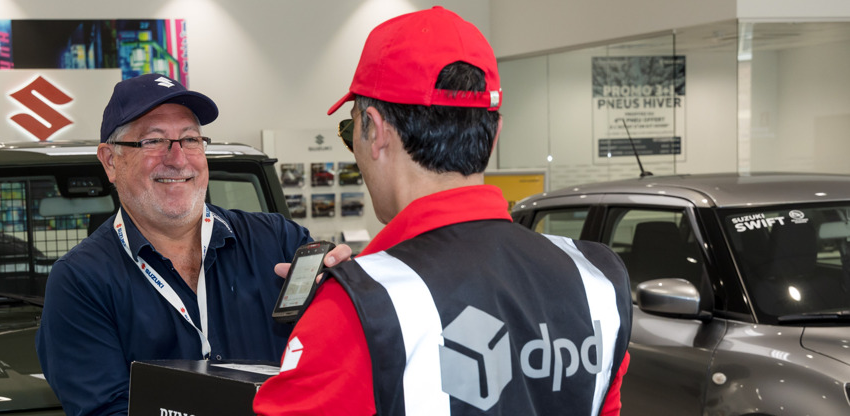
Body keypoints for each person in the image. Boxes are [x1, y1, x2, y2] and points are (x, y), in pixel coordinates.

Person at [253, 7, 632, 416]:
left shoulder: (358, 310)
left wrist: (328, 320)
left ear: (375, 131)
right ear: (495, 134)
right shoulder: (598, 281)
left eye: (351, 131)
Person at [36, 73, 350, 416]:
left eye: (190, 139)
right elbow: (107, 410)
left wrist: (350, 291)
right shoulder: (82, 281)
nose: (178, 158)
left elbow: (340, 365)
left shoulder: (278, 240)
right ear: (111, 161)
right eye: (154, 141)